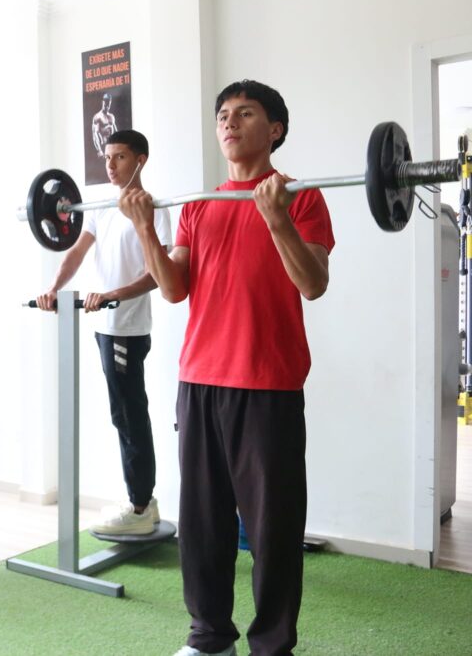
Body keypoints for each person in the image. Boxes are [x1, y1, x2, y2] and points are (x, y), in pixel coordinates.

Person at [119, 80, 335, 656]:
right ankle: (209, 637)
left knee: (273, 530)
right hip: (199, 382)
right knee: (202, 523)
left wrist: (276, 218)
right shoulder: (200, 204)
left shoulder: (301, 198)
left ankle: (272, 646)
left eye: (245, 113)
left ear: (275, 130)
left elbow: (313, 283)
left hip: (268, 384)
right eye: (223, 115)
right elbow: (173, 289)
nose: (230, 123)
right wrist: (144, 227)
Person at [37, 129, 172, 536]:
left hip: (128, 328)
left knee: (129, 414)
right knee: (122, 413)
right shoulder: (99, 205)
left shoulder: (153, 209)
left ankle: (140, 505)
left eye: (120, 157)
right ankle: (142, 500)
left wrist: (113, 295)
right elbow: (76, 251)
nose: (110, 165)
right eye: (107, 157)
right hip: (105, 327)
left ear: (140, 160)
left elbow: (158, 273)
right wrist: (54, 288)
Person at [92, 93, 118, 158]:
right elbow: (95, 135)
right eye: (106, 102)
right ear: (102, 102)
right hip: (103, 147)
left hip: (113, 147)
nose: (107, 104)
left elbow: (117, 133)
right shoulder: (97, 117)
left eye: (109, 102)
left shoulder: (112, 117)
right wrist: (99, 150)